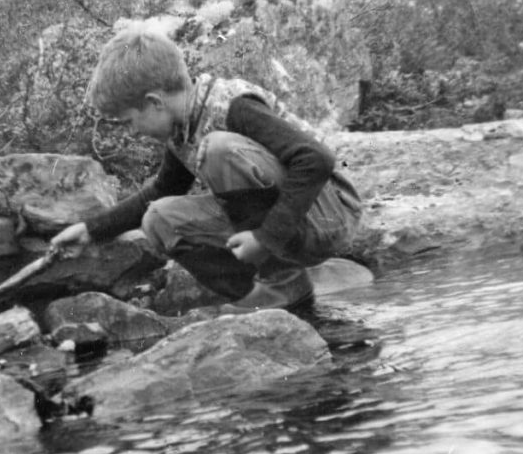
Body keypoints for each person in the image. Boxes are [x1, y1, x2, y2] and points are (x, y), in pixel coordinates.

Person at [50, 22, 362, 311]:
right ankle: (274, 299)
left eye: (130, 121)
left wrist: (265, 239)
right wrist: (91, 230)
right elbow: (161, 191)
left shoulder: (234, 107)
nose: (132, 132)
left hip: (330, 214)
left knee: (218, 149)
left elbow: (315, 159)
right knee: (159, 218)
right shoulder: (181, 130)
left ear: (155, 101)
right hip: (290, 226)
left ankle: (280, 277)